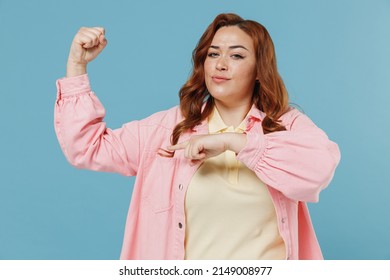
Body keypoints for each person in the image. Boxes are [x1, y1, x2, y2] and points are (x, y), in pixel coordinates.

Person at [55, 13, 340, 260]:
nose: (221, 64)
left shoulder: (286, 125)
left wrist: (233, 142)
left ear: (258, 70)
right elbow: (86, 148)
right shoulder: (167, 129)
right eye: (213, 54)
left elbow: (319, 170)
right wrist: (76, 66)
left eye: (237, 55)